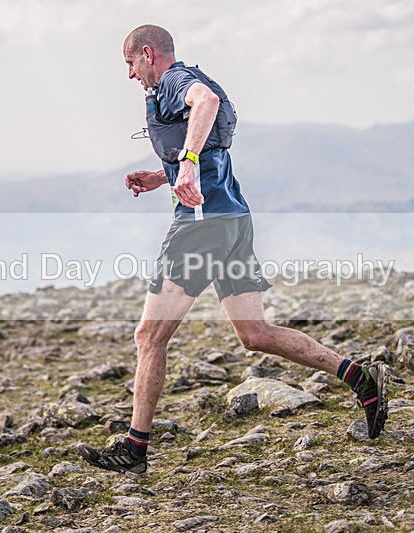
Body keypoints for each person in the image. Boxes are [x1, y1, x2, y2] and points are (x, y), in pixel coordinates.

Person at [78, 25, 390, 477]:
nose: (129, 75)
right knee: (255, 334)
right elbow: (208, 150)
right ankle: (361, 379)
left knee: (149, 336)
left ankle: (134, 451)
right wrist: (163, 175)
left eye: (129, 63)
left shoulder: (174, 83)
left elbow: (206, 103)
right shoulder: (184, 80)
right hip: (234, 220)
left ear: (148, 54)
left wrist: (183, 166)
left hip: (201, 226)